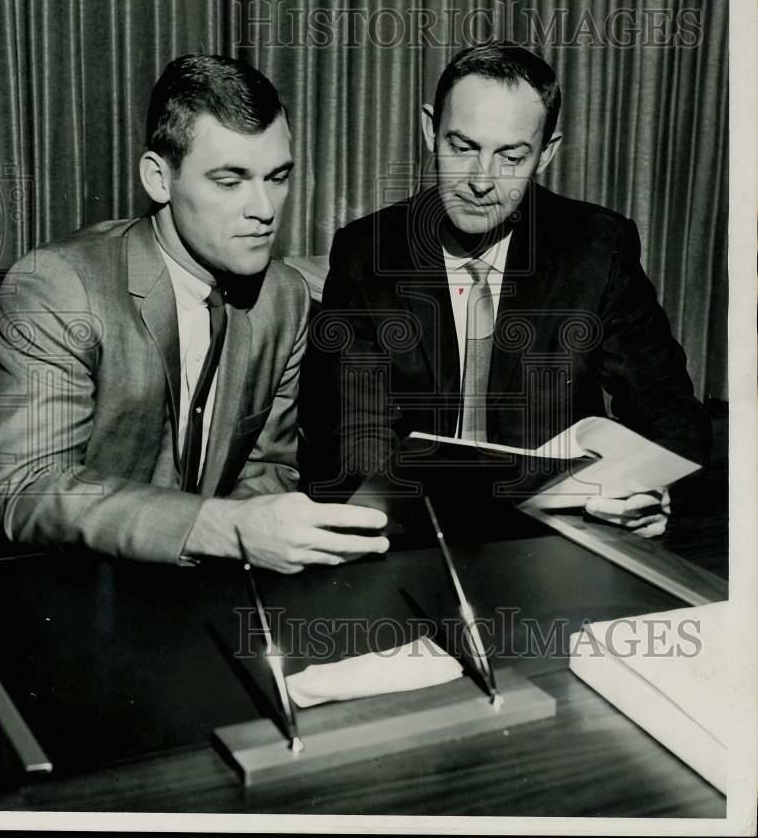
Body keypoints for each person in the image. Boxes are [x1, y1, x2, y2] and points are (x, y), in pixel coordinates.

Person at [0, 54, 389, 571]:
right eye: (230, 180)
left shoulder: (284, 298)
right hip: (73, 591)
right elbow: (29, 487)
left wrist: (268, 535)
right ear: (159, 179)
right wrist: (226, 530)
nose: (264, 209)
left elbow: (265, 467)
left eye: (278, 177)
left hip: (210, 591)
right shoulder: (59, 286)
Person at [302, 42, 710, 537]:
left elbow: (665, 404)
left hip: (556, 533)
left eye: (511, 156)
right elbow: (346, 426)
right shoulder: (365, 251)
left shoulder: (597, 247)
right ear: (430, 129)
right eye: (463, 147)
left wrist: (647, 489)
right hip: (410, 531)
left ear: (546, 153)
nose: (481, 180)